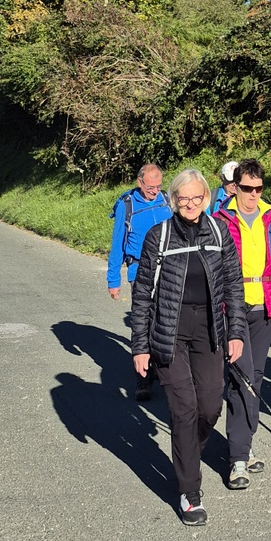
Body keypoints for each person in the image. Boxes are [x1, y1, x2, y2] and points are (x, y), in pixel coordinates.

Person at [130, 168, 246, 526]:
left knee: (210, 407)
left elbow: (233, 285)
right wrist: (140, 346)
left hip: (209, 330)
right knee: (183, 410)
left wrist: (236, 332)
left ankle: (188, 452)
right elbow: (142, 294)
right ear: (174, 199)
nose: (191, 204)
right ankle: (189, 493)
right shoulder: (159, 236)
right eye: (184, 198)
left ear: (206, 199)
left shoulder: (219, 232)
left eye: (198, 198)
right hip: (169, 330)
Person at [216, 158, 271, 489]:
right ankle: (238, 457)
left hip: (267, 307)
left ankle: (244, 443)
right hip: (233, 308)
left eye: (259, 188)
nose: (253, 194)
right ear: (235, 187)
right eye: (247, 188)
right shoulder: (220, 220)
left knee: (255, 376)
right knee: (242, 379)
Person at [107, 163, 172, 401]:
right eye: (150, 187)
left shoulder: (166, 200)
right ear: (139, 182)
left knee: (166, 320)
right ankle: (143, 378)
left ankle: (165, 370)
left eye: (158, 186)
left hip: (169, 270)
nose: (155, 191)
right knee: (143, 322)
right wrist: (113, 279)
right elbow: (117, 244)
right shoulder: (127, 205)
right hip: (140, 270)